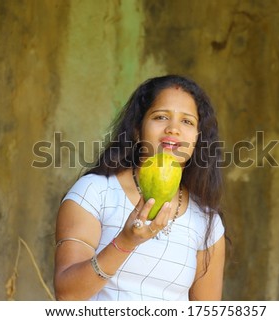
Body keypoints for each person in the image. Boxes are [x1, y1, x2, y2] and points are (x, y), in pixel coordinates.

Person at [54, 75, 227, 301]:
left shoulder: (207, 223)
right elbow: (67, 294)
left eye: (187, 121)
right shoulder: (94, 192)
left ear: (197, 139)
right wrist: (125, 242)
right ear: (138, 130)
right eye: (161, 116)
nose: (173, 129)